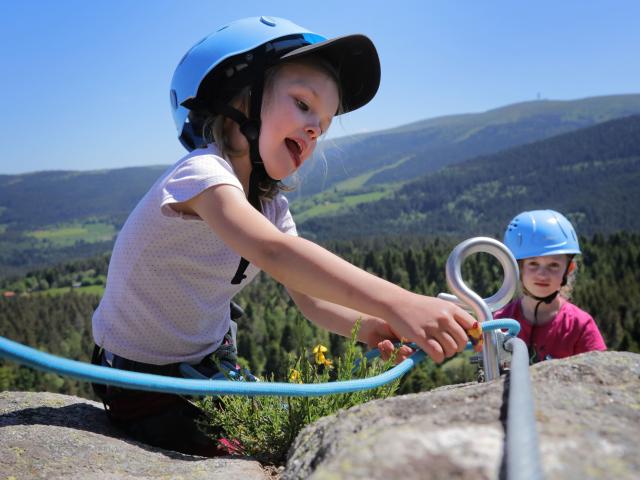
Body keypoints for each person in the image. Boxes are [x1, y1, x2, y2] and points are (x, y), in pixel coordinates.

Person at [90, 16, 480, 456]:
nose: (315, 128)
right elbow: (277, 253)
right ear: (236, 98)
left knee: (282, 436)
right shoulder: (201, 174)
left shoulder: (270, 206)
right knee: (262, 448)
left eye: (325, 123)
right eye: (302, 104)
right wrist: (402, 302)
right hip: (141, 382)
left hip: (205, 365)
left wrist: (370, 325)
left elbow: (308, 296)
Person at [494, 209, 606, 364]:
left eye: (553, 265)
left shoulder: (580, 326)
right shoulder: (499, 322)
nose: (542, 275)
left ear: (568, 269)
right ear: (518, 268)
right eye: (533, 263)